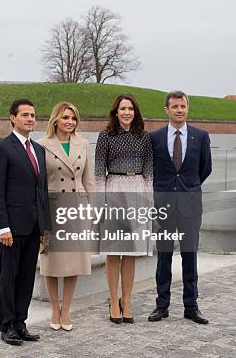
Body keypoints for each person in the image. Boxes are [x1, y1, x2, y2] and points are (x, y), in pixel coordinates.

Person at [0, 98, 50, 346]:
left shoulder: (39, 150)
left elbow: (41, 191)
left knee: (26, 277)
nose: (30, 119)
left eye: (33, 115)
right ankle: (7, 326)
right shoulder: (2, 148)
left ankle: (21, 324)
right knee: (9, 277)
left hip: (34, 226)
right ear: (12, 118)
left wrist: (45, 227)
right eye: (25, 115)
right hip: (11, 228)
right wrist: (2, 226)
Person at [148, 90, 212, 325]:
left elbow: (205, 168)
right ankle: (161, 306)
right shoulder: (154, 138)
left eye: (183, 106)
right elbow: (151, 169)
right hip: (163, 205)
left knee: (189, 256)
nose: (179, 110)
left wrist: (188, 187)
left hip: (190, 205)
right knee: (163, 256)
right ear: (167, 109)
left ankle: (191, 307)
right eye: (175, 106)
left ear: (187, 108)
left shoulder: (201, 136)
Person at [95, 93, 153, 324]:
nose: (126, 112)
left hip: (137, 189)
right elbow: (99, 172)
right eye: (122, 109)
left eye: (130, 108)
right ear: (116, 112)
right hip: (114, 190)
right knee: (114, 251)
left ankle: (127, 300)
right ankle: (112, 299)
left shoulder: (144, 138)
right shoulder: (105, 136)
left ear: (135, 112)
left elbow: (149, 170)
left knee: (130, 252)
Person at [37, 102, 95, 332]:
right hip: (52, 208)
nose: (70, 122)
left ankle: (67, 309)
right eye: (65, 118)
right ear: (55, 120)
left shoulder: (84, 144)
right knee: (51, 261)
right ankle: (54, 309)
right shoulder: (41, 145)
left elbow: (89, 180)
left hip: (77, 208)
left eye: (73, 118)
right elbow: (38, 183)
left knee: (74, 262)